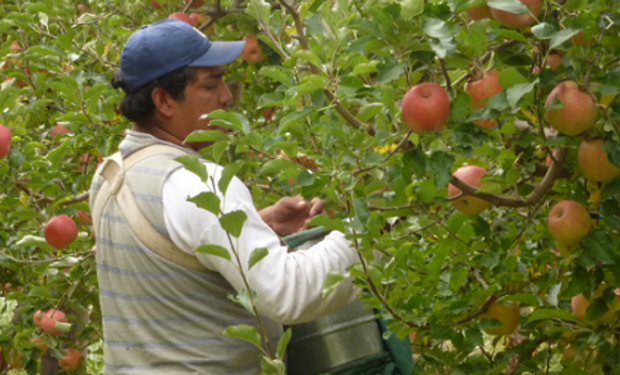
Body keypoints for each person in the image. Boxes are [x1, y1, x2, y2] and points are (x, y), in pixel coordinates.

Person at [89, 19, 359, 375]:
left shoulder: (110, 175)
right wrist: (366, 237)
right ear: (164, 101)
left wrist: (258, 224)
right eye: (211, 84)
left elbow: (171, 251)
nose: (227, 96)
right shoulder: (199, 184)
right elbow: (288, 294)